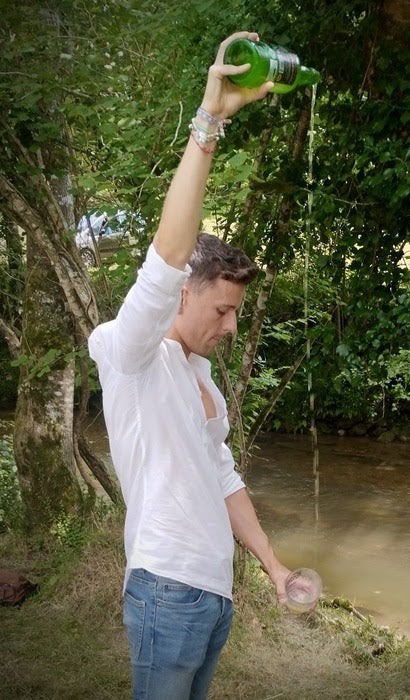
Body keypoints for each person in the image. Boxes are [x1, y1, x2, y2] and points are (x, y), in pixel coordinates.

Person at [88, 31, 290, 700]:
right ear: (183, 294)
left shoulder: (200, 378)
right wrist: (209, 124)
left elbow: (225, 478)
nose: (231, 327)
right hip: (166, 592)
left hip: (211, 597)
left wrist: (273, 565)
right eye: (223, 311)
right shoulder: (130, 353)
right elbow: (167, 257)